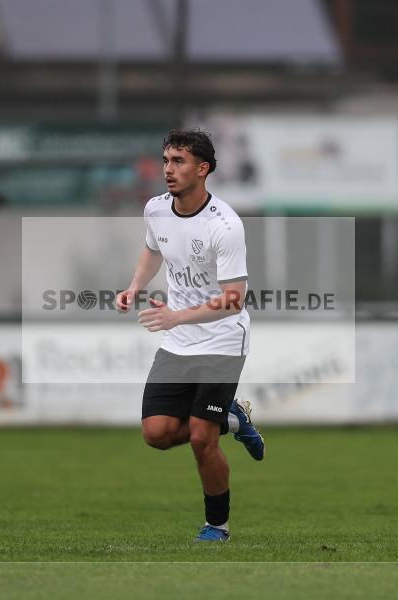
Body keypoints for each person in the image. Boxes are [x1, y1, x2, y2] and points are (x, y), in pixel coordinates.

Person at [116, 129, 265, 542]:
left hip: (221, 339)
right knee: (157, 434)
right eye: (166, 160)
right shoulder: (156, 209)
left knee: (201, 437)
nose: (168, 169)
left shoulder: (226, 225)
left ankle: (216, 526)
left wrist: (177, 318)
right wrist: (134, 287)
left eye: (178, 161)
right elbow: (153, 249)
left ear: (204, 169)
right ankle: (233, 420)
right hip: (179, 339)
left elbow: (234, 300)